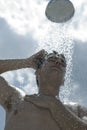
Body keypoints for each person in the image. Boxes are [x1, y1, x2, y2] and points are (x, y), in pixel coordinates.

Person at [0, 49, 87, 130]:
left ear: (63, 81)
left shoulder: (77, 110)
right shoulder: (16, 99)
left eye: (63, 63)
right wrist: (27, 62)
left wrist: (53, 104)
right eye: (51, 59)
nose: (58, 61)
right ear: (38, 72)